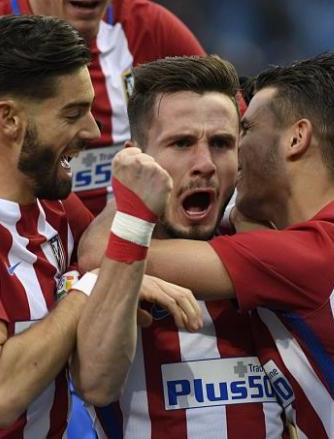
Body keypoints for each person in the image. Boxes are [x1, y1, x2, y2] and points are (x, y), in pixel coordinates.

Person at [80, 52, 334, 437]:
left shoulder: (303, 257)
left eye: (235, 137)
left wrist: (131, 199)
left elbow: (110, 252)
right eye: (182, 144)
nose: (209, 163)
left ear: (297, 138)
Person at [0, 15, 200, 438]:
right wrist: (90, 286)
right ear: (9, 119)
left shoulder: (55, 209)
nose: (92, 131)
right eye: (73, 113)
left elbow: (114, 275)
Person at [84, 55, 286, 438]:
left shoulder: (274, 256)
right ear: (137, 158)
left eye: (222, 143)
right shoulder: (104, 274)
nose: (205, 163)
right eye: (181, 143)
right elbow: (95, 384)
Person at [0, 0, 205, 216]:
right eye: (72, 113)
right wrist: (63, 219)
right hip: (46, 233)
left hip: (140, 232)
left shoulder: (148, 27)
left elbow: (227, 115)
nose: (93, 131)